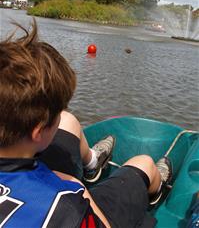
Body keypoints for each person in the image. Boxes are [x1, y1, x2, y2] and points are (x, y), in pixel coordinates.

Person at [0, 19, 172, 227]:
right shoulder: (66, 203)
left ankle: (92, 163)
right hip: (71, 203)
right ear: (38, 131)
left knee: (68, 121)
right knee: (143, 163)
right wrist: (78, 189)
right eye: (55, 116)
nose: (60, 116)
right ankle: (155, 188)